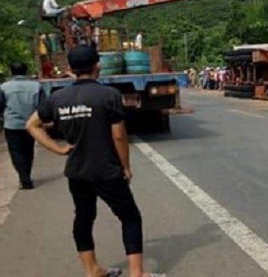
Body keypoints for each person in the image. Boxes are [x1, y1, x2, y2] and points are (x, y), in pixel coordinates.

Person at [26, 45, 164, 277]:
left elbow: (31, 125)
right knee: (130, 217)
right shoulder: (108, 95)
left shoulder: (57, 98)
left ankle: (92, 270)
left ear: (70, 69)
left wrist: (58, 149)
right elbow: (119, 135)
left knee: (83, 218)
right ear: (97, 66)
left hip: (77, 171)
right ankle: (137, 274)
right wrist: (126, 167)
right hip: (106, 169)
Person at [0, 62, 43, 189]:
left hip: (12, 125)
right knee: (28, 150)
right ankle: (26, 176)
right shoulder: (36, 86)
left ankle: (24, 178)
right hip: (31, 124)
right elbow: (42, 106)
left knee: (16, 152)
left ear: (11, 71)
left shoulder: (4, 87)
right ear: (26, 71)